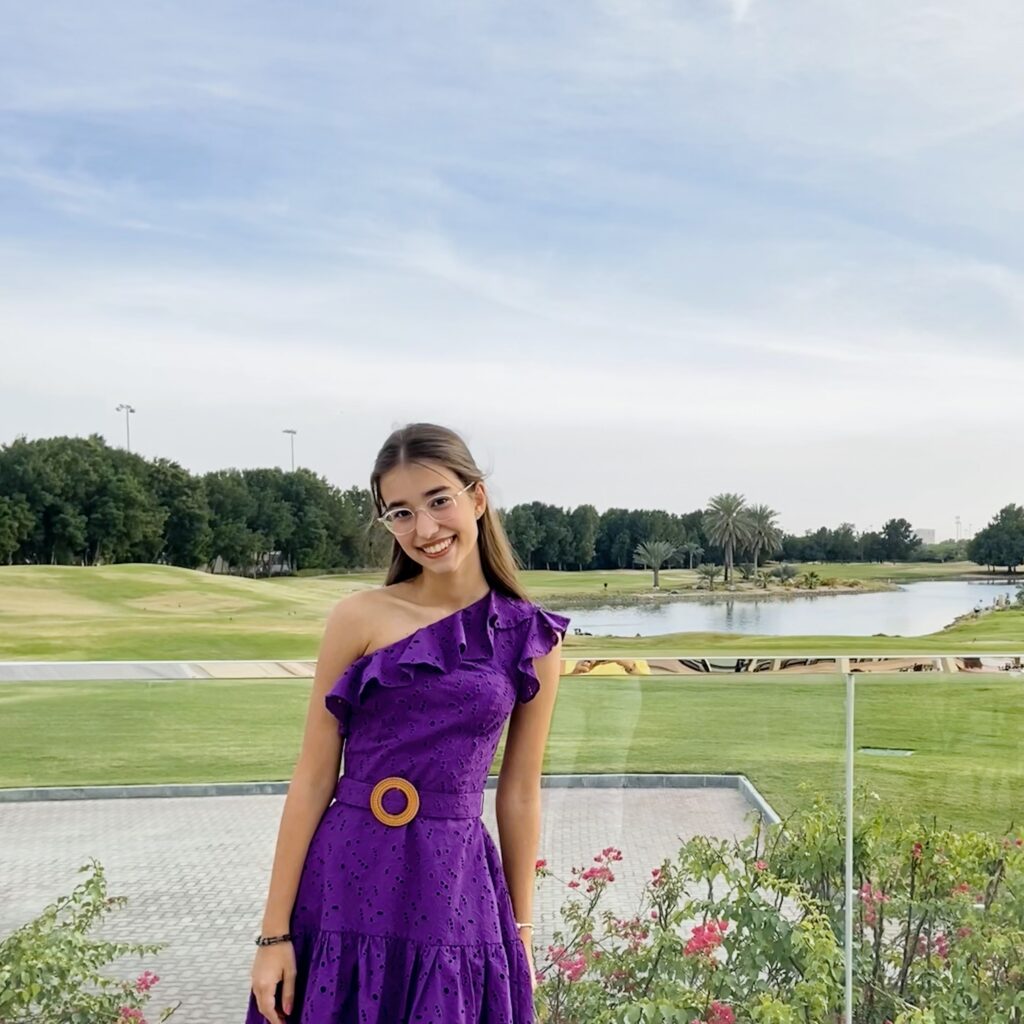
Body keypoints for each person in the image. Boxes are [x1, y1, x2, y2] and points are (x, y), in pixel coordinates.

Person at [244, 422, 570, 1023]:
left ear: (477, 497)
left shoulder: (531, 637)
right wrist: (273, 934)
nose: (424, 529)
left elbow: (521, 792)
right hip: (342, 882)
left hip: (454, 890)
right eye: (400, 513)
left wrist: (522, 930)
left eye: (438, 501)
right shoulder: (358, 617)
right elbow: (313, 777)